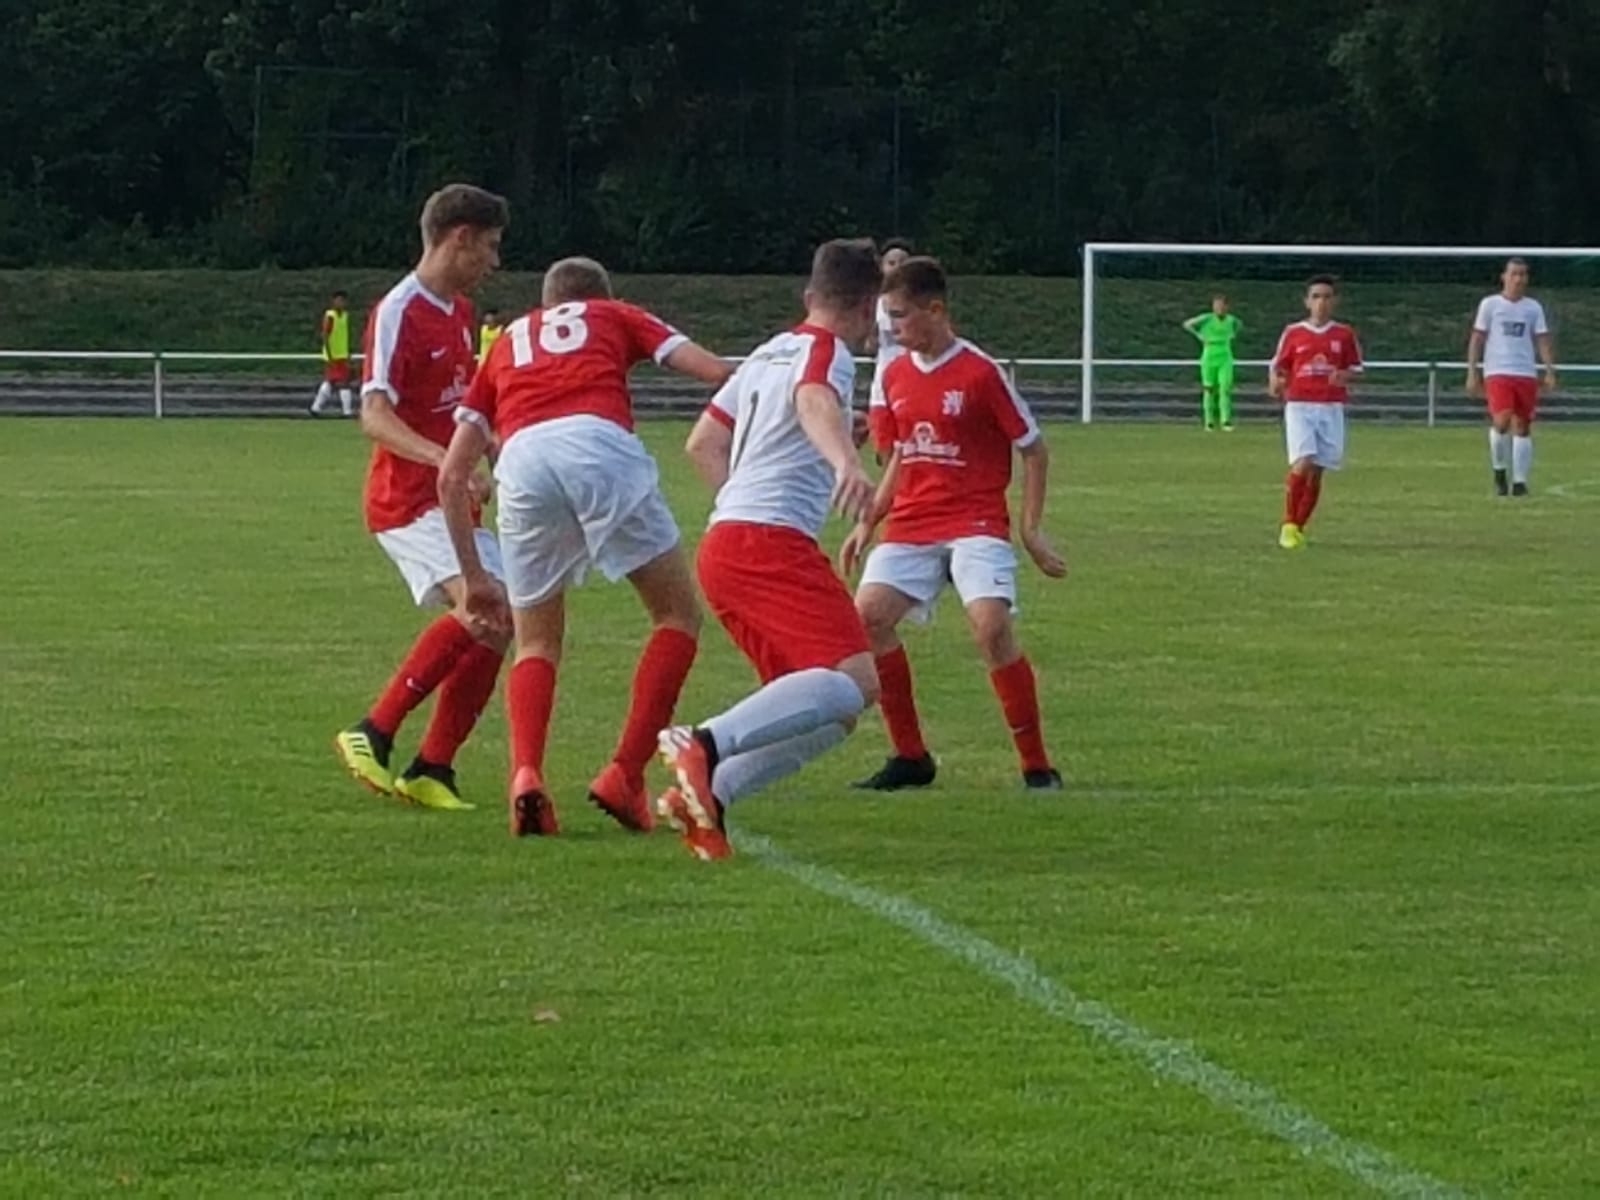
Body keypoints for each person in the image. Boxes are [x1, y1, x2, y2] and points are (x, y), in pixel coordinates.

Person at [441, 256, 732, 837]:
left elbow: (451, 476)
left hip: (522, 459)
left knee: (536, 641)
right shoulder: (614, 314)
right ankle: (624, 773)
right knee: (676, 616)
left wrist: (474, 576)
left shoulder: (508, 341)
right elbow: (713, 371)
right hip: (599, 444)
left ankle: (526, 774)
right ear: (602, 297)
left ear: (546, 303)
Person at [653, 238, 884, 861]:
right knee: (855, 683)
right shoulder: (828, 350)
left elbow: (702, 444)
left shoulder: (763, 355)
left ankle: (707, 797)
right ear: (868, 307)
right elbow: (812, 397)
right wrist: (845, 461)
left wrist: (744, 501)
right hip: (767, 543)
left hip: (728, 543)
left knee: (828, 707)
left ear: (810, 295)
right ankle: (703, 742)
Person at [843, 255, 1067, 793]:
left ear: (936, 310)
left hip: (975, 520)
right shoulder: (895, 373)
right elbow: (902, 455)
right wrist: (870, 520)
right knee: (867, 619)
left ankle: (1036, 765)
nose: (892, 329)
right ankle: (910, 757)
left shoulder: (980, 373)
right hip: (912, 522)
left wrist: (1031, 530)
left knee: (991, 628)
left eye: (900, 316)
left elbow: (1034, 450)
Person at [332, 184, 511, 811]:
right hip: (406, 500)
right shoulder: (399, 310)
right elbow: (374, 415)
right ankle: (373, 731)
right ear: (459, 238)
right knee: (486, 606)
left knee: (500, 623)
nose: (494, 262)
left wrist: (490, 453)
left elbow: (462, 407)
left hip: (452, 502)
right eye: (489, 246)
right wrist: (447, 463)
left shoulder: (460, 312)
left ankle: (432, 767)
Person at [1269, 275, 1363, 550]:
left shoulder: (1344, 334)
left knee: (1317, 470)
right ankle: (1288, 524)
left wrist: (1344, 376)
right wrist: (1276, 381)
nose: (1321, 302)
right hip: (1300, 404)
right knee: (1303, 461)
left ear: (1335, 301)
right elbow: (1279, 365)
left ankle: (1299, 526)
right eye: (1316, 297)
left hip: (1331, 406)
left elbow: (1357, 369)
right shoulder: (1293, 332)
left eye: (1326, 297)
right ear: (1307, 301)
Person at [1466, 257, 1556, 497]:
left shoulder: (1533, 308)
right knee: (1502, 419)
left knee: (1523, 425)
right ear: (1504, 277)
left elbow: (1542, 339)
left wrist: (1549, 370)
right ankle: (1499, 471)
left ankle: (1519, 482)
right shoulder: (1490, 305)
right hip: (1498, 371)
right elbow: (1477, 338)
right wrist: (1472, 371)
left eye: (1523, 274)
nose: (1519, 279)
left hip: (1525, 372)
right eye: (1514, 273)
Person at [867, 238, 915, 425]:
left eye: (902, 263)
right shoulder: (874, 303)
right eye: (891, 263)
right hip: (885, 372)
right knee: (881, 426)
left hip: (912, 370)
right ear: (882, 266)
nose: (897, 268)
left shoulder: (920, 303)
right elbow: (870, 345)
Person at [1182, 294, 1241, 430]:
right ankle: (1209, 421)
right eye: (1216, 306)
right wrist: (1199, 335)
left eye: (1221, 306)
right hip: (1209, 354)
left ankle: (1225, 420)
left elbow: (1238, 327)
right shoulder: (1207, 318)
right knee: (1209, 389)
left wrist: (1232, 335)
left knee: (1225, 388)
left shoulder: (1231, 320)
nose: (1218, 308)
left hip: (1225, 355)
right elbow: (1187, 324)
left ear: (1226, 307)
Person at [310, 290, 354, 416]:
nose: (341, 303)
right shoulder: (330, 316)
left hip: (342, 355)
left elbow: (344, 335)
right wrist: (329, 354)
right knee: (342, 382)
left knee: (332, 382)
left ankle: (316, 408)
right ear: (333, 302)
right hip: (333, 355)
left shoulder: (345, 315)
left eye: (343, 301)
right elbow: (325, 335)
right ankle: (346, 411)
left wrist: (348, 352)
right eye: (338, 300)